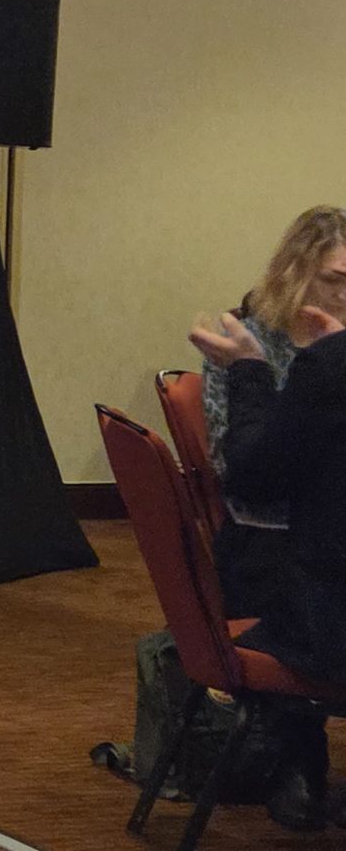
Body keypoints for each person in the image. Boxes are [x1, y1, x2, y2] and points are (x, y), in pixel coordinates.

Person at [188, 298, 346, 831]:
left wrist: (249, 368)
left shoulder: (331, 361)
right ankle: (298, 763)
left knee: (284, 591)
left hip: (330, 632)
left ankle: (296, 763)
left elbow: (254, 477)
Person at [201, 206, 346, 616]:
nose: (344, 295)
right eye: (332, 280)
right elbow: (232, 466)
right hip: (271, 544)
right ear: (295, 274)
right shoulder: (246, 341)